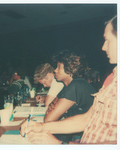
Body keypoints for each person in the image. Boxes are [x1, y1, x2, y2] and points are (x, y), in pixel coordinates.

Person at [20, 15, 117, 144]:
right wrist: (40, 127)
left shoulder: (76, 85)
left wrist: (60, 144)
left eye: (107, 40)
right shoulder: (112, 78)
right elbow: (87, 119)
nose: (103, 47)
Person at [44, 51, 96, 123]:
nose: (55, 70)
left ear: (71, 68)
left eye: (59, 67)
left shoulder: (76, 85)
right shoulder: (68, 86)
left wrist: (55, 110)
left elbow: (48, 119)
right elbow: (50, 106)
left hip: (83, 132)